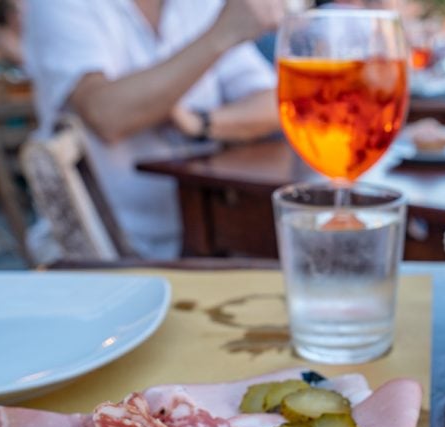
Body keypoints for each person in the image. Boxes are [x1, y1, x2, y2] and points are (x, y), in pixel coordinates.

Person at [23, 0, 283, 260]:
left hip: (211, 229)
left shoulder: (201, 5)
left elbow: (277, 103)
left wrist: (201, 122)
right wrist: (219, 36)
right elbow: (105, 114)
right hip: (106, 249)